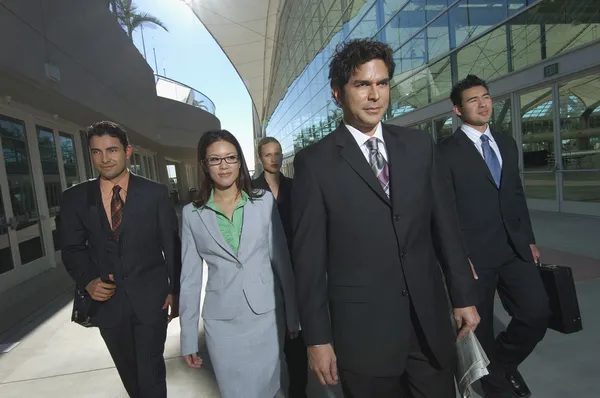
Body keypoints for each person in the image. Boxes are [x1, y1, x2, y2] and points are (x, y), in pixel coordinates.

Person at [290, 38, 480, 398]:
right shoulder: (314, 164)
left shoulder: (419, 146)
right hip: (364, 338)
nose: (375, 95)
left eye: (382, 83)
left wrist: (463, 295)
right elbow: (309, 263)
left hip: (429, 327)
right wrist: (317, 338)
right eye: (362, 85)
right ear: (337, 93)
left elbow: (446, 228)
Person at [438, 74, 549, 398]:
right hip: (475, 257)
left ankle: (500, 365)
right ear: (457, 109)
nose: (483, 103)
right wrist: (459, 259)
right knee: (480, 330)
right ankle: (497, 388)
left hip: (514, 249)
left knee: (536, 313)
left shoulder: (507, 143)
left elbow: (515, 194)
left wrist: (527, 238)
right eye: (473, 99)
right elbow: (444, 212)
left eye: (486, 96)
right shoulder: (445, 152)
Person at [58, 121, 181, 398]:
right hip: (108, 303)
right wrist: (88, 281)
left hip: (152, 298)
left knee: (150, 373)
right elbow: (71, 248)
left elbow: (172, 246)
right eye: (97, 152)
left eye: (112, 150)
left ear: (128, 151)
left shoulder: (155, 193)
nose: (105, 158)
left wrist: (176, 290)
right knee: (130, 375)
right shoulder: (75, 198)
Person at [179, 129, 300, 398]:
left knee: (275, 388)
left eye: (231, 158)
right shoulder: (192, 214)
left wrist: (292, 314)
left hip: (266, 316)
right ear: (204, 164)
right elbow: (189, 278)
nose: (224, 166)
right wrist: (187, 335)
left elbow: (282, 262)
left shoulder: (263, 201)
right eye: (215, 159)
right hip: (222, 323)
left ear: (240, 161)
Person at [253, 137, 308, 398]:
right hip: (263, 269)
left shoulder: (295, 187)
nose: (273, 159)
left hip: (294, 268)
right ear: (259, 158)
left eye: (277, 154)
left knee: (297, 341)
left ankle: (299, 392)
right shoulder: (250, 190)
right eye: (267, 155)